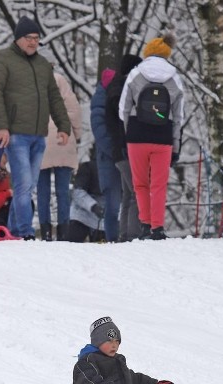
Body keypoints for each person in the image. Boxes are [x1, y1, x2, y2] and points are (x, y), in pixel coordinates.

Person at [0, 14, 72, 239]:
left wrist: (63, 126)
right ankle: (25, 233)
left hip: (38, 136)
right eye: (28, 37)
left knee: (27, 187)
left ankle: (13, 230)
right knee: (24, 185)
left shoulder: (43, 65)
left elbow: (54, 97)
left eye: (36, 38)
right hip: (15, 135)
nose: (33, 42)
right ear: (17, 39)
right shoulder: (2, 59)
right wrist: (2, 126)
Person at [119, 35, 185, 240]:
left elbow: (123, 109)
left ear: (147, 52)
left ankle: (145, 225)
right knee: (159, 184)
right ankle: (158, 228)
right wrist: (175, 146)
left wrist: (130, 131)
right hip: (163, 137)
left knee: (140, 184)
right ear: (167, 54)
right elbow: (178, 117)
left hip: (137, 136)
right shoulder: (174, 77)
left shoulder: (135, 74)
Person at [37, 71, 82, 241]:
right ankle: (64, 232)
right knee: (63, 191)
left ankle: (46, 232)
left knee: (43, 191)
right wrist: (76, 134)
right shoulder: (60, 80)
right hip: (62, 138)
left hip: (39, 140)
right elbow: (74, 109)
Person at [105, 54, 143, 241]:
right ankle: (133, 235)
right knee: (137, 191)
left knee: (128, 194)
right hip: (126, 149)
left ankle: (124, 235)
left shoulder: (114, 88)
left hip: (118, 150)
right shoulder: (123, 90)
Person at [90, 68, 121, 242]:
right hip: (109, 159)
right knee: (112, 203)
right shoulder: (101, 101)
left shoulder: (105, 99)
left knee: (117, 202)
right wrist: (115, 151)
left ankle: (120, 237)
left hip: (114, 155)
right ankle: (112, 239)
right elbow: (99, 130)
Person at [66, 152, 106, 243]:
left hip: (104, 221)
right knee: (71, 245)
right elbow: (77, 192)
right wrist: (93, 206)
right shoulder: (87, 167)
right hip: (81, 216)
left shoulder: (117, 169)